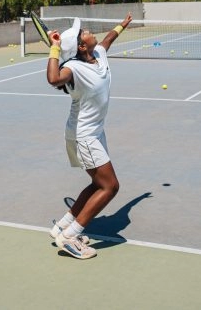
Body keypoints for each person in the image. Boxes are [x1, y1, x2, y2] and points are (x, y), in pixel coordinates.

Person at [45, 13, 132, 259]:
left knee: (98, 184)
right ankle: (71, 236)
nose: (88, 31)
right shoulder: (74, 67)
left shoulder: (98, 55)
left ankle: (63, 224)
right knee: (111, 186)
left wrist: (121, 25)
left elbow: (108, 40)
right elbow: (53, 79)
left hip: (94, 132)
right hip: (84, 135)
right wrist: (54, 49)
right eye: (83, 32)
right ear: (81, 46)